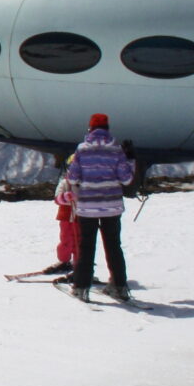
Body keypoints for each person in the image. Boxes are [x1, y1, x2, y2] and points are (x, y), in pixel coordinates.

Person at [64, 114, 136, 303]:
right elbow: (127, 179)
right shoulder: (116, 150)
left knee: (86, 246)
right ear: (108, 128)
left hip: (87, 207)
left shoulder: (82, 150)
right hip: (112, 206)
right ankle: (119, 287)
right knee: (114, 246)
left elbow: (72, 178)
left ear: (90, 129)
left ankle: (81, 287)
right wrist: (129, 161)